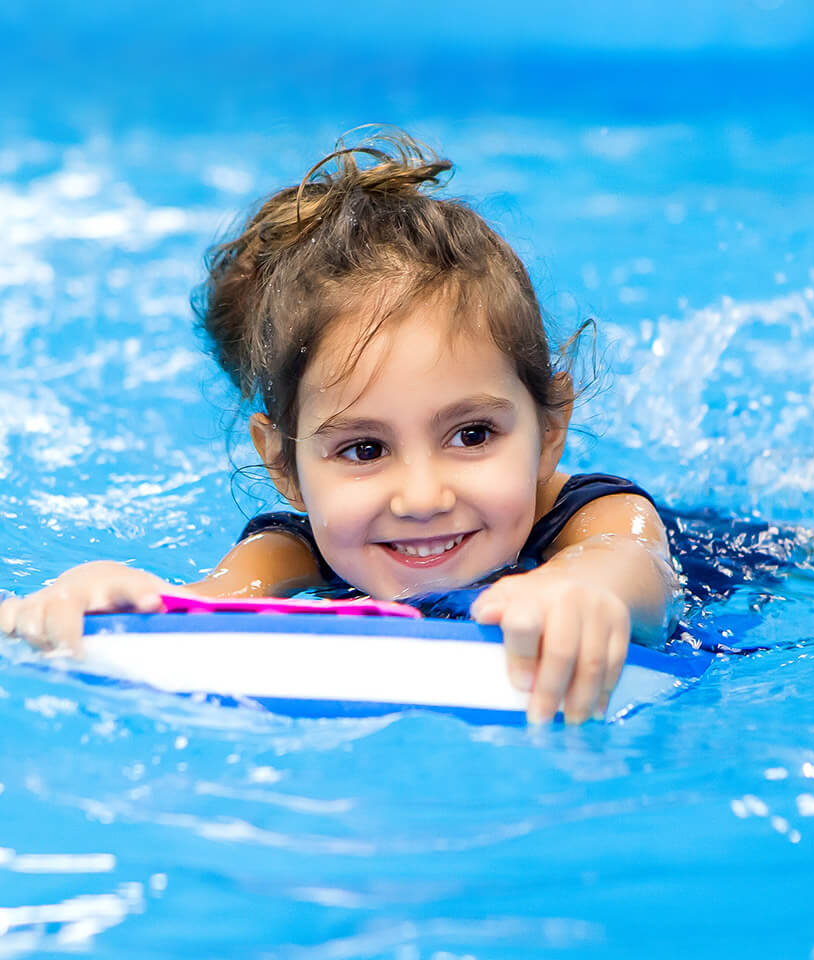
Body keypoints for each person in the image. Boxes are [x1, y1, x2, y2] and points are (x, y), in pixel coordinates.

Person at [0, 129, 680, 725]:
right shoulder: (300, 551)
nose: (422, 497)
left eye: (471, 435)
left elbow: (635, 567)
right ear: (286, 467)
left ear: (550, 428)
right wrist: (106, 599)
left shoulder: (597, 517)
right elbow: (207, 604)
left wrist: (579, 592)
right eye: (364, 448)